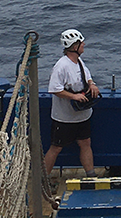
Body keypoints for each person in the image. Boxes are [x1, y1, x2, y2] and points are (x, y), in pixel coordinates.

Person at [43, 28, 99, 178]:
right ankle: (44, 178)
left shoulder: (78, 61)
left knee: (85, 143)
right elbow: (54, 89)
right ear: (75, 46)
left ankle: (91, 173)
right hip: (64, 117)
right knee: (56, 148)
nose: (84, 45)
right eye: (81, 43)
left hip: (82, 116)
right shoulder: (61, 66)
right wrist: (73, 97)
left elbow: (86, 75)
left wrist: (92, 84)